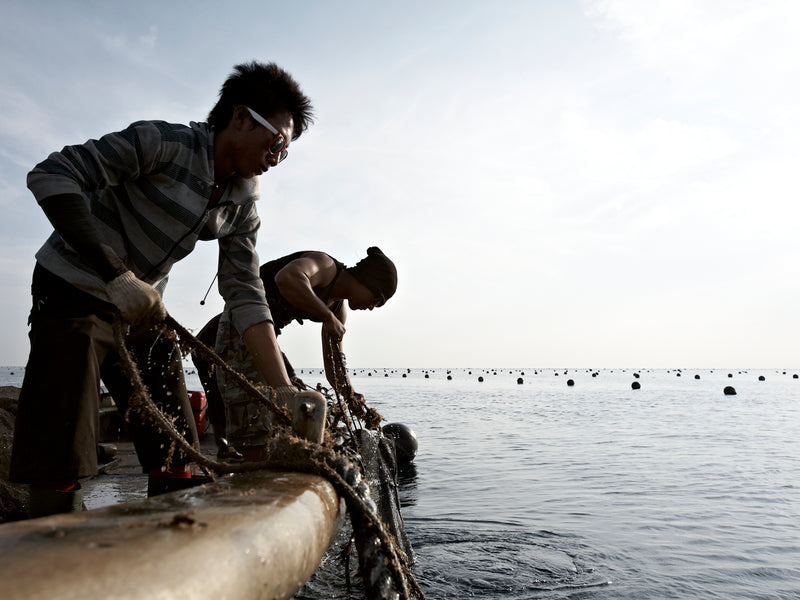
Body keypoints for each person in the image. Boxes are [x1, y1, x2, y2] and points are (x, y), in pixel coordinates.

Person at [10, 61, 314, 516]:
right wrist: (117, 276)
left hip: (140, 312)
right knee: (62, 447)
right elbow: (52, 174)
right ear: (240, 118)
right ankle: (53, 555)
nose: (276, 158)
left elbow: (245, 292)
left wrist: (284, 389)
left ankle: (166, 552)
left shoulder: (242, 204)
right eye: (277, 143)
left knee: (177, 446)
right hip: (72, 291)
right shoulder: (164, 144)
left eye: (284, 152)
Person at [193, 248, 397, 459]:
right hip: (242, 322)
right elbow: (288, 278)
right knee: (254, 410)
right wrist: (326, 316)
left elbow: (335, 367)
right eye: (377, 299)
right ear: (367, 280)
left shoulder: (338, 310)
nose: (373, 307)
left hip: (268, 336)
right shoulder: (325, 266)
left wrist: (350, 395)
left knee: (293, 395)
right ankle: (231, 451)